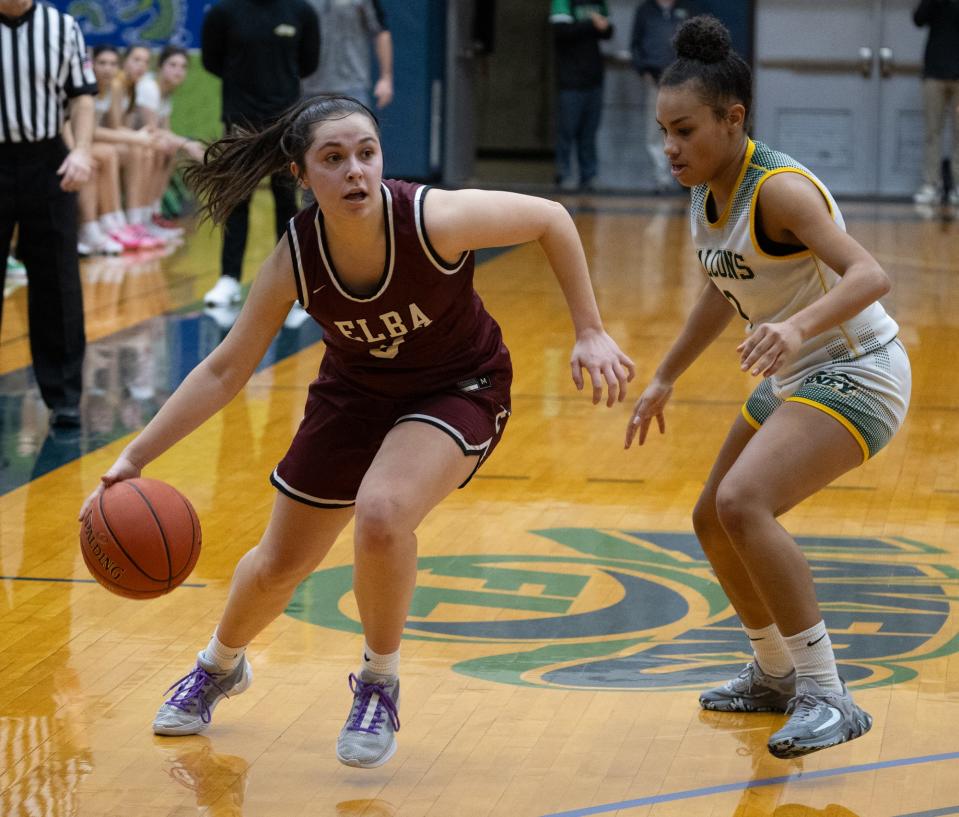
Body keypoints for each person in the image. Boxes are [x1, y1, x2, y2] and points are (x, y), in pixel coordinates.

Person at [78, 95, 635, 768]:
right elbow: (226, 369)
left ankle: (377, 680)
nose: (355, 172)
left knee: (381, 511)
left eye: (366, 154)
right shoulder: (296, 256)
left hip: (457, 386)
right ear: (300, 175)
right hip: (355, 394)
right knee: (279, 564)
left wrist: (590, 330)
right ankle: (220, 663)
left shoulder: (431, 219)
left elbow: (549, 217)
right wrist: (133, 458)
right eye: (333, 159)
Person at [625, 16, 910, 758]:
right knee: (709, 518)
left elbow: (870, 275)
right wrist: (662, 377)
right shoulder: (703, 189)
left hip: (858, 368)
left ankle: (826, 693)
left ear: (733, 118)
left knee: (741, 501)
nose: (670, 148)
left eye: (684, 130)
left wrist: (793, 327)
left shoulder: (777, 191)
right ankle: (775, 673)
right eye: (663, 131)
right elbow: (723, 291)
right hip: (800, 371)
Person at [0, 0, 96, 429]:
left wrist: (81, 150)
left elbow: (82, 98)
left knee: (57, 280)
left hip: (48, 160)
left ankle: (64, 397)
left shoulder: (63, 28)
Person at [200, 0, 320, 308]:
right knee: (237, 199)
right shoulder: (224, 12)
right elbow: (211, 61)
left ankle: (292, 279)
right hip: (240, 118)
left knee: (285, 200)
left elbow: (308, 63)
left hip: (285, 120)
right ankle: (228, 278)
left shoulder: (301, 12)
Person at [630, 0, 702, 192]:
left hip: (684, 82)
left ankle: (686, 178)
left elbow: (695, 45)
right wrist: (642, 69)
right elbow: (635, 45)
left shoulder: (686, 9)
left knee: (686, 129)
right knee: (655, 131)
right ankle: (661, 179)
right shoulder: (645, 11)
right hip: (655, 80)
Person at [549, 0, 613, 191]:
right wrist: (591, 23)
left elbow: (608, 32)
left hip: (594, 77)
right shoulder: (562, 2)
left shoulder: (599, 2)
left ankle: (589, 175)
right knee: (567, 131)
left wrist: (602, 26)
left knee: (589, 132)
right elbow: (562, 32)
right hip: (570, 78)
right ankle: (564, 173)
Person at [301, 0, 393, 111]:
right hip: (306, 88)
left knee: (355, 127)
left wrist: (386, 78)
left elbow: (380, 31)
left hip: (352, 86)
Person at [913, 0, 959, 205]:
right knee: (933, 132)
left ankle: (957, 184)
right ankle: (931, 183)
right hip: (934, 72)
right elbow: (918, 19)